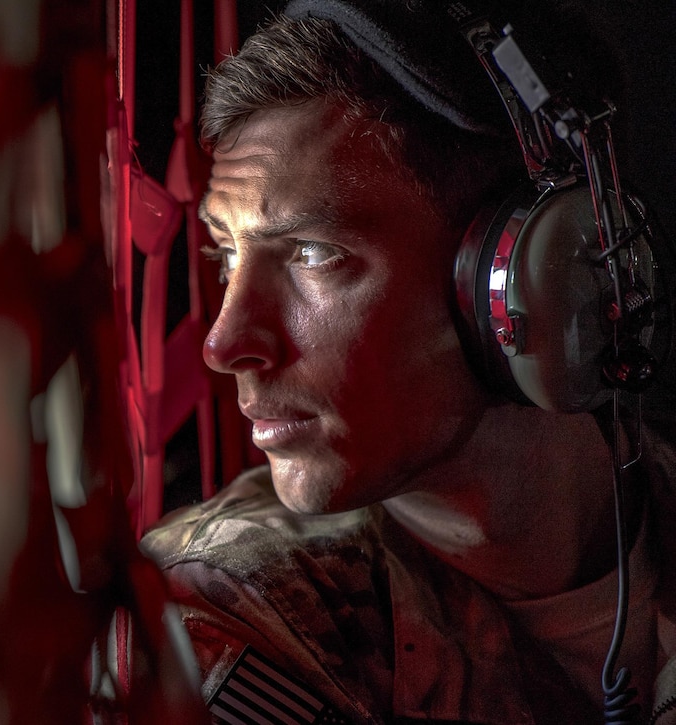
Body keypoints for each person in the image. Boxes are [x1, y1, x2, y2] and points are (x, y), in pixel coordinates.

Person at [139, 1, 676, 722]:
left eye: (312, 254)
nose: (225, 343)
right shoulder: (227, 610)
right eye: (225, 256)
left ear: (536, 281)